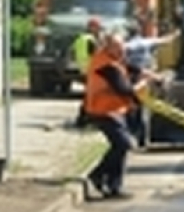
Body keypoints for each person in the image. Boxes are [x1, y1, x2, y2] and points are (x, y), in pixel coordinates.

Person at [83, 32, 157, 199]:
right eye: (118, 48)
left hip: (114, 110)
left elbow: (129, 68)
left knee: (120, 147)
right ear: (108, 48)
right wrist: (143, 84)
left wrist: (149, 74)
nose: (122, 51)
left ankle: (113, 186)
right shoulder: (105, 65)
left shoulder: (113, 59)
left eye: (123, 46)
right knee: (123, 144)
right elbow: (124, 90)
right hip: (101, 110)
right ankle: (97, 175)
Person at [122, 23, 178, 147]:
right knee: (143, 109)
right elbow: (164, 41)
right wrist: (174, 35)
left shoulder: (128, 45)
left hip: (132, 78)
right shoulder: (146, 42)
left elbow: (122, 53)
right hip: (146, 78)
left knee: (131, 108)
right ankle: (143, 140)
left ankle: (131, 135)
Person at [74, 18, 103, 128]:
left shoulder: (80, 38)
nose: (98, 31)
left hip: (84, 70)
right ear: (92, 27)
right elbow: (96, 54)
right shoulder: (90, 40)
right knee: (91, 96)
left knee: (89, 95)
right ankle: (83, 119)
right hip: (92, 70)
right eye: (97, 28)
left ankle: (84, 119)